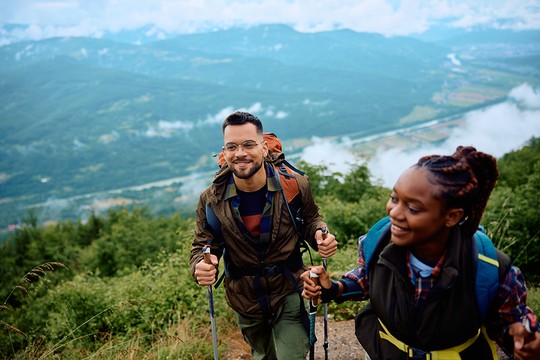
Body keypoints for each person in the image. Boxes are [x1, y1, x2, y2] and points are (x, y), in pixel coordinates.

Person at [301, 146, 540, 359]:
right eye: (394, 198)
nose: (394, 212)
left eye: (413, 208)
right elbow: (366, 279)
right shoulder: (376, 243)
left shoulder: (488, 268)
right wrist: (333, 288)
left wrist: (526, 340)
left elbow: (513, 323)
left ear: (452, 216)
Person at [190, 111, 337, 360]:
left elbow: (311, 219)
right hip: (245, 299)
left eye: (248, 144)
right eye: (232, 147)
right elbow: (202, 246)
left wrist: (320, 235)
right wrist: (199, 268)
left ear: (264, 148)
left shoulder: (294, 184)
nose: (240, 153)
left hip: (289, 287)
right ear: (224, 153)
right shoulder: (211, 199)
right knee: (263, 356)